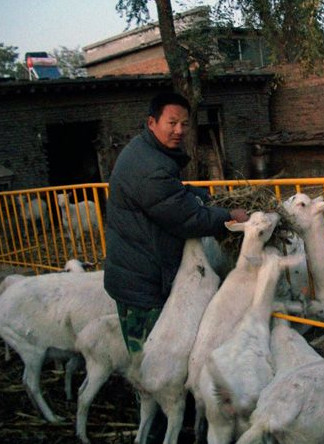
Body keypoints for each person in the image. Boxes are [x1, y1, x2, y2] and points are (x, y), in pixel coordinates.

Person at [104, 91, 248, 439]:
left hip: (142, 271)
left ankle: (161, 420)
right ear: (152, 122)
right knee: (153, 364)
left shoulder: (150, 155)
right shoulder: (149, 166)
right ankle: (155, 429)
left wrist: (201, 196)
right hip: (142, 281)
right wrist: (227, 215)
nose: (180, 129)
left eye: (185, 123)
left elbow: (176, 194)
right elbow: (185, 217)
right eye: (172, 122)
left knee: (154, 361)